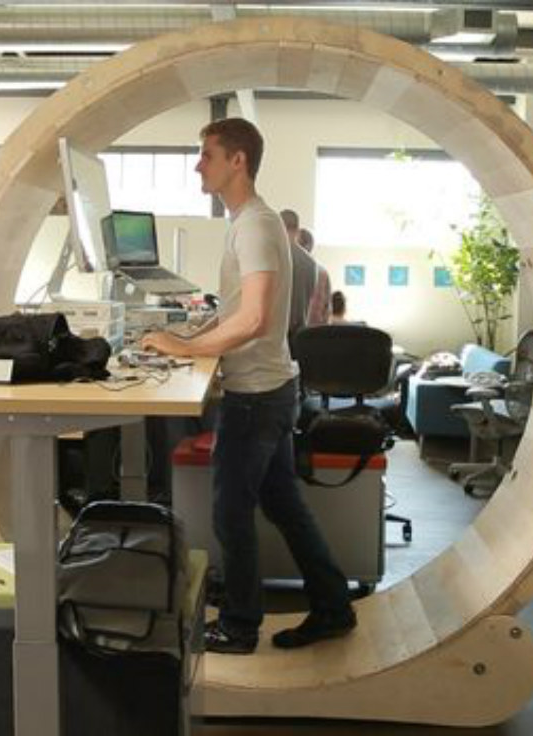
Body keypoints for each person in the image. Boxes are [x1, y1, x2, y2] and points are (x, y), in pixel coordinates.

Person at [142, 118, 356, 655]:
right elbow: (240, 310)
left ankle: (239, 626)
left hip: (256, 397)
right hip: (272, 389)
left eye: (207, 155)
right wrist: (191, 336)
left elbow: (256, 318)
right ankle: (333, 607)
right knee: (284, 506)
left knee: (230, 514)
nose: (198, 165)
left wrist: (186, 350)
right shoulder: (250, 222)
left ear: (237, 161)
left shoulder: (255, 225)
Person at [279, 209, 317, 357]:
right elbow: (309, 296)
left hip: (275, 336)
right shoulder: (311, 263)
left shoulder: (274, 256)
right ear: (297, 230)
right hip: (298, 336)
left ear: (278, 226)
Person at [297, 228, 332, 326]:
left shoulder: (290, 269)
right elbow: (327, 308)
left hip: (297, 329)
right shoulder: (323, 272)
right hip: (315, 329)